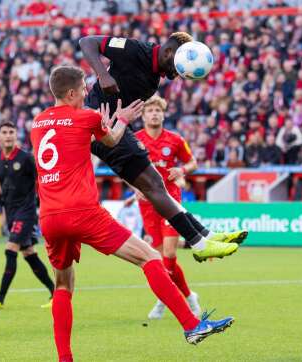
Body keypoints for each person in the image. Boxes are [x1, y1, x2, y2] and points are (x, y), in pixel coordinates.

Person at [31, 66, 234, 361]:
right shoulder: (86, 117)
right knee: (150, 257)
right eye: (84, 89)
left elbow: (70, 141)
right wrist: (122, 119)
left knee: (63, 285)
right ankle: (192, 325)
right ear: (72, 92)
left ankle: (65, 359)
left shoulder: (38, 123)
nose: (87, 93)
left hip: (49, 216)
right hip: (83, 211)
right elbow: (111, 141)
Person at [79, 32, 245, 262]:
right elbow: (87, 42)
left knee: (156, 185)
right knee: (155, 184)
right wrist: (103, 75)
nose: (175, 76)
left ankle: (204, 236)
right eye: (176, 70)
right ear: (169, 53)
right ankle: (200, 242)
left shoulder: (154, 79)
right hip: (100, 124)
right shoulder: (134, 49)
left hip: (114, 126)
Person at [128, 95, 202, 319]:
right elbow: (124, 168)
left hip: (170, 200)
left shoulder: (175, 139)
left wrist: (182, 170)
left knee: (169, 253)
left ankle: (162, 301)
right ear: (142, 115)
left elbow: (192, 162)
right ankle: (190, 297)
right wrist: (134, 186)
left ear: (163, 114)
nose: (154, 114)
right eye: (150, 110)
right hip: (147, 204)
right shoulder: (134, 140)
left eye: (158, 111)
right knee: (161, 259)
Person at [0, 121, 55, 309]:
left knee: (10, 249)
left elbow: (43, 180)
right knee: (29, 254)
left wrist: (47, 203)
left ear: (16, 135)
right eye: (4, 132)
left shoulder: (26, 158)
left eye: (12, 132)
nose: (8, 135)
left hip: (26, 212)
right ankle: (56, 293)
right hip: (11, 212)